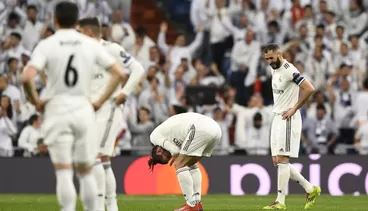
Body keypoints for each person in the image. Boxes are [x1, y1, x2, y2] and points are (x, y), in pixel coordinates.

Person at [21, 2, 124, 211]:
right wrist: (100, 101)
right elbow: (119, 73)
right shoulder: (90, 44)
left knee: (64, 171)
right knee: (86, 171)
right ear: (77, 21)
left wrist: (36, 101)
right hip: (83, 109)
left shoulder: (47, 44)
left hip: (57, 109)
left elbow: (26, 76)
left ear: (55, 19)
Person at [77, 17, 145, 211]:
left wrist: (125, 92)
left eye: (80, 32)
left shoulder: (112, 49)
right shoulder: (83, 54)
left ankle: (98, 206)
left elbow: (137, 69)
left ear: (89, 33)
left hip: (109, 107)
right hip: (91, 109)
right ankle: (111, 205)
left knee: (96, 155)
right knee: (104, 159)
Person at [262, 44, 321, 210]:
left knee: (283, 159)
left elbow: (310, 89)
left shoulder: (289, 70)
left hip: (288, 118)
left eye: (272, 58)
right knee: (277, 161)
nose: (269, 61)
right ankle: (310, 188)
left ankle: (280, 202)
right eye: (266, 59)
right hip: (277, 116)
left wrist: (294, 108)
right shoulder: (274, 69)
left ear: (280, 54)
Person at [148, 112, 222, 211]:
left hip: (200, 128)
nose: (170, 156)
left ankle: (191, 205)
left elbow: (174, 151)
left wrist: (176, 158)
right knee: (191, 164)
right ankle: (197, 203)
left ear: (159, 151)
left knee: (179, 164)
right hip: (215, 129)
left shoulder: (154, 137)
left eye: (167, 156)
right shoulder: (169, 137)